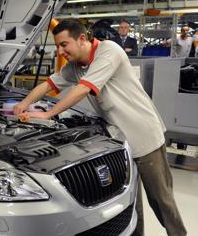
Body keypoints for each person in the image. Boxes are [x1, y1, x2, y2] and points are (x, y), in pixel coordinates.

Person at [13, 20, 186, 236]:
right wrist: (22, 105)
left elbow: (83, 89)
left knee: (161, 202)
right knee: (131, 204)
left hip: (144, 135)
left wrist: (48, 114)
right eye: (58, 46)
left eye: (64, 44)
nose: (60, 51)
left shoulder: (108, 51)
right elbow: (48, 84)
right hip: (121, 141)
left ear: (82, 38)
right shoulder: (75, 66)